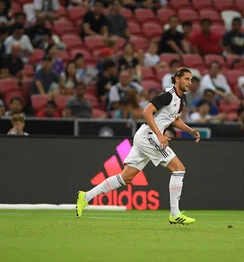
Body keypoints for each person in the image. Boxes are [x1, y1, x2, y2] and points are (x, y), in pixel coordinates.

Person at [77, 68, 200, 225]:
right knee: (179, 169)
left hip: (144, 137)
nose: (189, 82)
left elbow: (174, 120)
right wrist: (159, 134)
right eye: (186, 79)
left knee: (125, 177)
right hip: (149, 136)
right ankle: (175, 214)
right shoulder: (167, 95)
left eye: (190, 79)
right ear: (177, 79)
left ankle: (85, 196)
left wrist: (190, 131)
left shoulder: (181, 100)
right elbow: (146, 113)